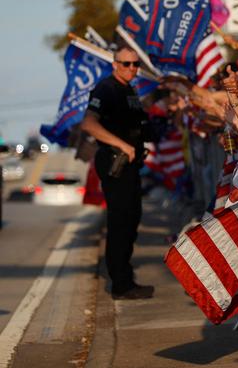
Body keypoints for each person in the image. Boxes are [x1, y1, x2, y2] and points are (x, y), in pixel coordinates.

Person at [81, 46, 154, 300]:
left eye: (135, 64)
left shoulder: (129, 89)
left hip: (131, 162)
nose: (132, 68)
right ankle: (121, 284)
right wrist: (121, 144)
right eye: (126, 64)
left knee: (132, 219)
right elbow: (89, 123)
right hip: (116, 161)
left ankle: (126, 277)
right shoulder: (107, 88)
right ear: (115, 64)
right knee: (120, 222)